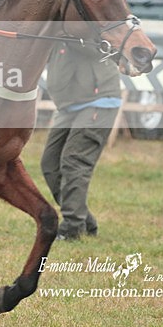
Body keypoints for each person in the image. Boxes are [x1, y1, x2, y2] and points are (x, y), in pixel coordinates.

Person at [39, 40, 122, 241]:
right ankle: (84, 220)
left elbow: (95, 45)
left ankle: (72, 227)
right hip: (68, 106)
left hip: (97, 101)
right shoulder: (56, 28)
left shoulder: (83, 28)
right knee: (50, 164)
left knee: (74, 161)